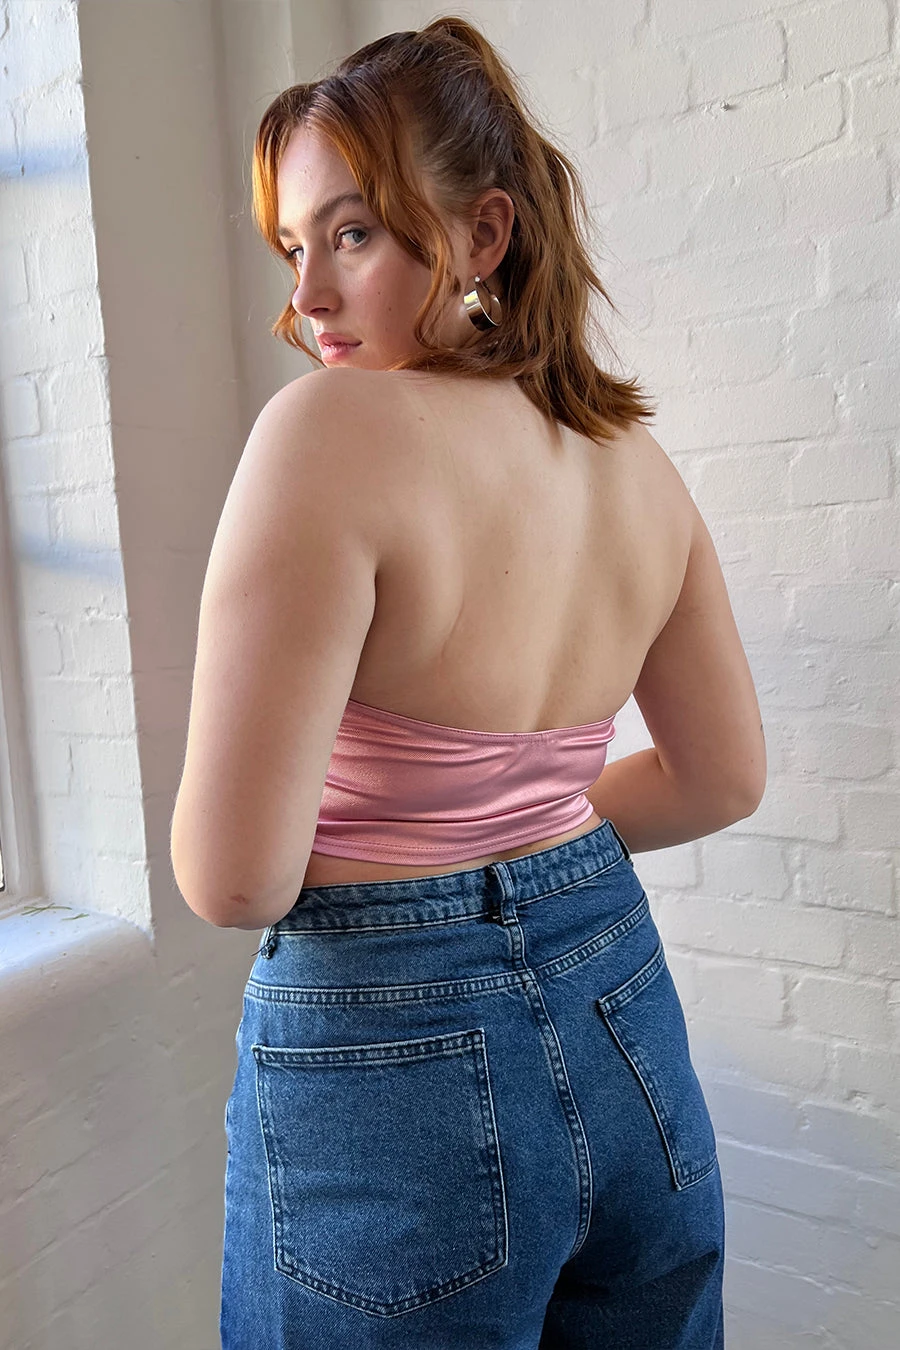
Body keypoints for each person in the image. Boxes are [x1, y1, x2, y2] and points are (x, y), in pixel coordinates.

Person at [213, 15, 766, 1349]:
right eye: (293, 248)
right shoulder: (634, 462)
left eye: (351, 234)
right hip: (623, 1011)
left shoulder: (327, 431)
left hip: (390, 1049)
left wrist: (439, 854)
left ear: (483, 233)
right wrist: (520, 838)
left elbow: (233, 878)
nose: (307, 296)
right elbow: (721, 779)